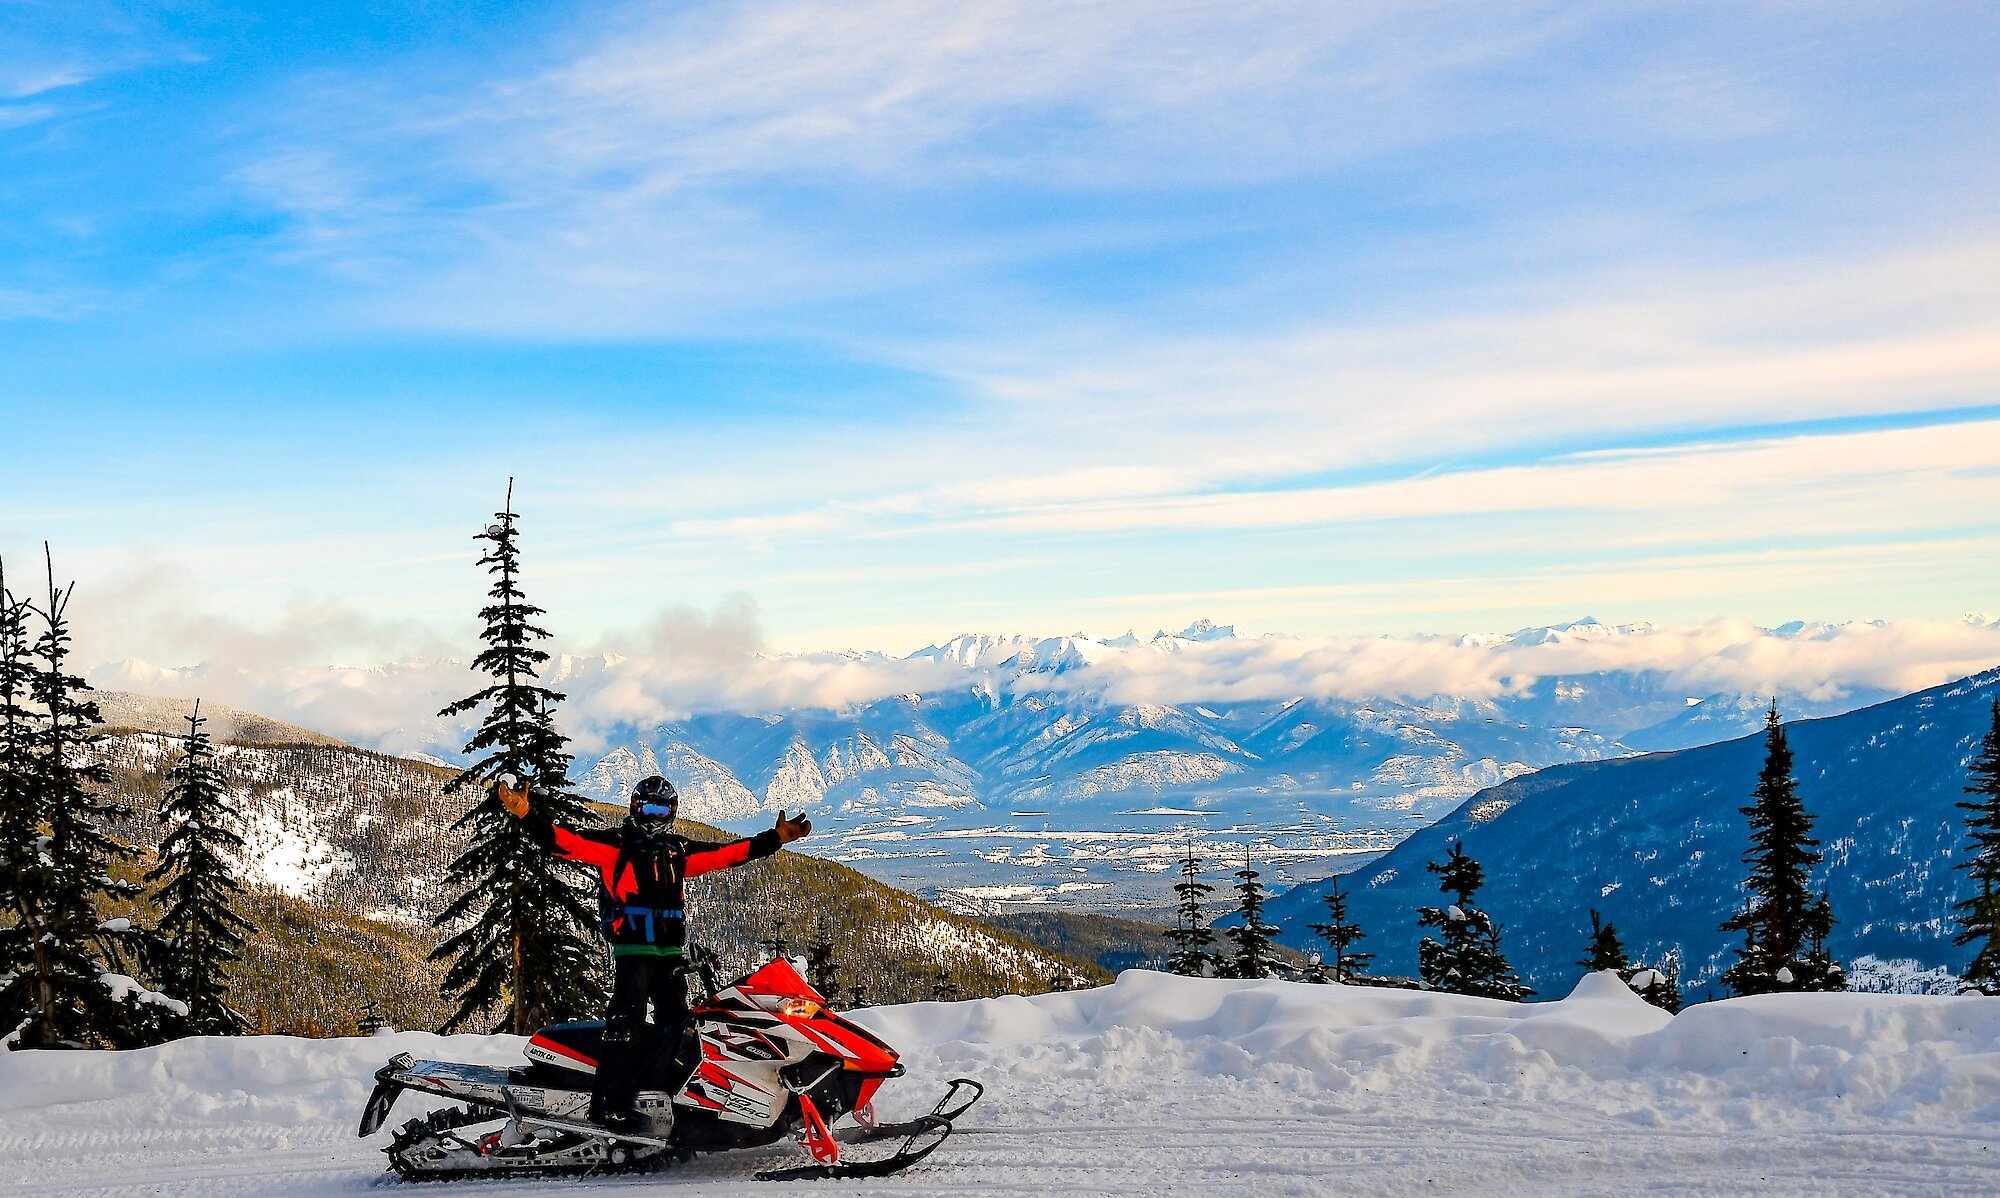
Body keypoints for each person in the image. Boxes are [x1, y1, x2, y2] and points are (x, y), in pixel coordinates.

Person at [499, 773, 811, 1131]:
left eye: (661, 808)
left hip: (669, 955)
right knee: (625, 1025)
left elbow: (727, 854)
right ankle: (607, 1107)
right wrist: (526, 815)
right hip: (634, 952)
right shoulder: (616, 846)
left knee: (677, 1030)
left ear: (672, 812)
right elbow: (565, 843)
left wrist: (775, 839)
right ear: (635, 807)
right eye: (648, 806)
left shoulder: (678, 852)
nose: (654, 814)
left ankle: (666, 1101)